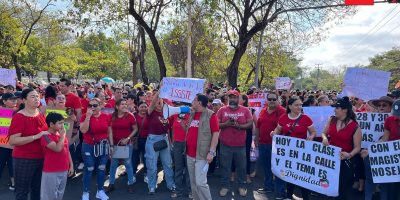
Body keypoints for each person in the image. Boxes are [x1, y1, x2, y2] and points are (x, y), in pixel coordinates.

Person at [271, 96, 317, 200]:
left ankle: (306, 197)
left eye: (300, 105)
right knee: (290, 174)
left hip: (302, 152)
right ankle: (288, 196)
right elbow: (278, 130)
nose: (299, 107)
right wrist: (273, 133)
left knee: (303, 176)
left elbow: (313, 131)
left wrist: (311, 136)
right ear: (290, 106)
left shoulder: (306, 118)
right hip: (288, 152)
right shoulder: (283, 118)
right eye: (296, 105)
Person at [8, 88, 49, 200]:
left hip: (41, 157)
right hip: (24, 159)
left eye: (37, 96)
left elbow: (45, 133)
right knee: (22, 191)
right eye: (33, 96)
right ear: (24, 100)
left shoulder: (40, 114)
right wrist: (37, 136)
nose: (37, 98)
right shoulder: (19, 117)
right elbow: (13, 141)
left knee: (37, 189)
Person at [321, 97, 362, 200]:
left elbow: (358, 147)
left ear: (345, 110)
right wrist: (325, 138)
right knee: (327, 185)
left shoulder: (355, 127)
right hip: (330, 158)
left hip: (345, 162)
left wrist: (349, 155)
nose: (334, 110)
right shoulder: (332, 119)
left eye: (337, 108)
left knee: (342, 189)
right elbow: (323, 133)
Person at [182, 94, 219, 200]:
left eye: (194, 100)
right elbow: (189, 131)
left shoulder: (210, 115)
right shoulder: (192, 114)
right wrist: (183, 124)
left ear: (199, 102)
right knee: (193, 183)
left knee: (200, 183)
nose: (192, 102)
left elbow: (216, 134)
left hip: (202, 155)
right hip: (190, 154)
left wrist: (211, 152)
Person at [217, 90, 253, 197]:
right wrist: (226, 124)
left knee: (242, 167)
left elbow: (250, 123)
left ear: (238, 99)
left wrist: (240, 126)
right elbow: (217, 124)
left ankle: (242, 186)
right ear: (228, 98)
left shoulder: (245, 110)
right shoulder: (222, 110)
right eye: (230, 97)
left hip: (240, 145)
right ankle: (225, 186)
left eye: (235, 97)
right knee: (225, 167)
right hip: (225, 144)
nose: (232, 99)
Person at [254, 93, 286, 198]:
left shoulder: (282, 111)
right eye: (270, 99)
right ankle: (268, 186)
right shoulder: (263, 110)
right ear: (266, 100)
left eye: (274, 99)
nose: (272, 101)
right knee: (267, 166)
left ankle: (280, 190)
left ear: (278, 100)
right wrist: (256, 138)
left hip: (277, 146)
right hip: (263, 143)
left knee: (278, 168)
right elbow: (258, 125)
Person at [145, 91, 176, 195]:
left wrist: (170, 141)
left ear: (164, 103)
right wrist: (160, 91)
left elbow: (169, 129)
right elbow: (153, 102)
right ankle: (152, 186)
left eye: (160, 101)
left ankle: (171, 185)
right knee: (152, 165)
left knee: (168, 164)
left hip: (164, 139)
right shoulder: (150, 112)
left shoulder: (167, 114)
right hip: (152, 140)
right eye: (157, 101)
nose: (158, 103)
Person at [361, 96, 393, 200]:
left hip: (387, 156)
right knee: (369, 181)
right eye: (379, 105)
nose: (381, 107)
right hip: (369, 155)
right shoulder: (369, 118)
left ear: (391, 107)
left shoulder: (394, 121)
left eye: (384, 105)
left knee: (384, 183)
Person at [79, 98, 111, 200]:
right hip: (88, 146)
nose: (92, 107)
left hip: (103, 146)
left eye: (94, 105)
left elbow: (109, 132)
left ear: (100, 106)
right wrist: (88, 117)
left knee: (101, 168)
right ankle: (85, 192)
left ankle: (100, 191)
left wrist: (111, 146)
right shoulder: (84, 116)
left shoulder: (106, 116)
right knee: (89, 168)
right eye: (90, 105)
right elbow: (83, 130)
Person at [106, 99, 138, 193]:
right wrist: (111, 145)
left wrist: (128, 138)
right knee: (113, 165)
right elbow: (110, 131)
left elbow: (135, 129)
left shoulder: (130, 116)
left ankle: (130, 184)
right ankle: (111, 184)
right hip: (115, 144)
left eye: (125, 104)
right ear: (117, 106)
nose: (125, 106)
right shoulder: (112, 116)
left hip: (127, 144)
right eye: (122, 104)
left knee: (128, 164)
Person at [40, 112, 74, 200]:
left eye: (63, 123)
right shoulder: (45, 136)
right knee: (48, 196)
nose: (63, 125)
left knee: (60, 194)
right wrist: (63, 136)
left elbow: (67, 150)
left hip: (64, 169)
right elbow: (57, 149)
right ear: (51, 124)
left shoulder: (60, 134)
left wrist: (71, 165)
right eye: (60, 123)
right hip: (51, 171)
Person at [378, 99, 400, 199]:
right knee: (392, 187)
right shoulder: (389, 120)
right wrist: (371, 150)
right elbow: (385, 138)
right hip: (392, 158)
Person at [169, 102, 191, 198]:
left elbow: (189, 131)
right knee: (178, 167)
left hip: (188, 143)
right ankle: (178, 190)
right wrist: (172, 141)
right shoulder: (174, 115)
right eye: (178, 105)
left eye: (182, 105)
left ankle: (191, 190)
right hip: (177, 143)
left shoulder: (191, 114)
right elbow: (171, 129)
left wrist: (182, 122)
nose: (180, 106)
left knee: (189, 168)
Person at [0, 93, 18, 190]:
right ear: (4, 101)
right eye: (11, 99)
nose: (14, 101)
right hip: (2, 145)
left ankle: (14, 183)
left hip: (14, 144)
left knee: (12, 164)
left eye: (15, 99)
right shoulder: (1, 111)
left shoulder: (20, 112)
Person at [132, 101, 149, 183]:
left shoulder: (149, 116)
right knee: (134, 158)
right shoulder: (133, 115)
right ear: (138, 108)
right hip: (136, 140)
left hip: (147, 140)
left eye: (145, 107)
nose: (143, 108)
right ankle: (133, 174)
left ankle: (146, 174)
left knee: (146, 158)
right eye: (142, 106)